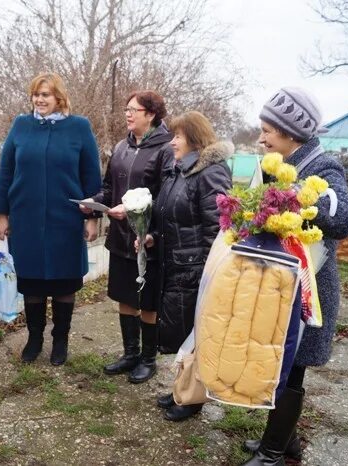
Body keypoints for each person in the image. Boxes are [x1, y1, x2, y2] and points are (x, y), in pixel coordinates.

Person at [241, 87, 348, 465]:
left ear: (291, 133)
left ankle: (274, 452)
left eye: (267, 131)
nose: (261, 138)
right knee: (280, 363)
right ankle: (284, 442)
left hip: (309, 293)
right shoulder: (273, 166)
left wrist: (298, 196)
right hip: (279, 285)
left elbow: (345, 218)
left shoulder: (324, 168)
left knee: (293, 369)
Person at [0, 72, 101, 366]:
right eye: (36, 95)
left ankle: (61, 341)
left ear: (59, 98)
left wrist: (92, 218)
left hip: (66, 218)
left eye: (46, 95)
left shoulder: (79, 127)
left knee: (65, 283)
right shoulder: (21, 126)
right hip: (25, 218)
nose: (40, 100)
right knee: (32, 283)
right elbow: (5, 172)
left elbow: (91, 175)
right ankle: (35, 338)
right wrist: (2, 214)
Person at [140, 111, 232, 421]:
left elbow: (218, 229)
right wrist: (151, 236)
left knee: (197, 336)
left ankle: (193, 399)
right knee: (183, 334)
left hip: (195, 270)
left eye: (178, 136)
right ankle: (182, 388)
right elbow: (166, 217)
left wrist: (209, 274)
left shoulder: (211, 173)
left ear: (194, 138)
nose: (173, 141)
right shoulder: (177, 171)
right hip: (174, 266)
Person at [82, 90, 173, 384]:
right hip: (121, 237)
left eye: (134, 110)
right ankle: (130, 354)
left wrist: (137, 213)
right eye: (126, 109)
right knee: (125, 296)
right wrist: (94, 202)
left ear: (151, 114)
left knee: (147, 301)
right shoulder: (121, 147)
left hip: (148, 240)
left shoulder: (166, 149)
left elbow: (167, 197)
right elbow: (109, 189)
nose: (128, 114)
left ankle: (148, 360)